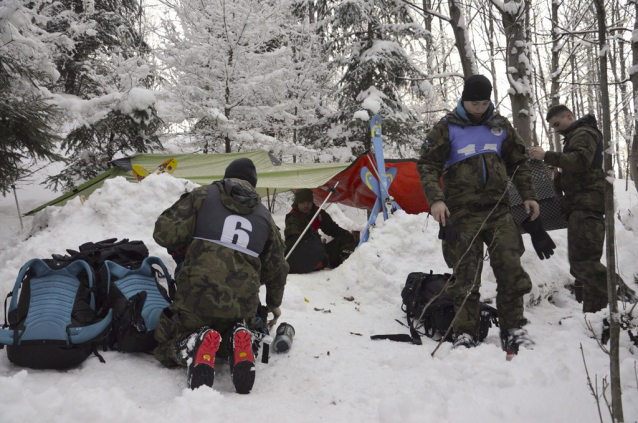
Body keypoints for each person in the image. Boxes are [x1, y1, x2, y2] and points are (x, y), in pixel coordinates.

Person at [417, 74, 539, 355]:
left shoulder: (500, 125)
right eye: (474, 103)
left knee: (511, 269)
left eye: (484, 102)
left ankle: (513, 328)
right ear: (464, 99)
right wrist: (436, 199)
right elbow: (427, 165)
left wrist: (528, 195)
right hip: (461, 213)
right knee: (466, 276)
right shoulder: (446, 127)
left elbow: (519, 163)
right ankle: (464, 332)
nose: (480, 108)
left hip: (499, 210)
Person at [152, 158, 289, 394]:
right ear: (253, 185)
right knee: (234, 327)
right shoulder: (265, 218)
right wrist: (274, 304)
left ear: (227, 176)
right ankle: (235, 341)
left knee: (164, 340)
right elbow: (277, 268)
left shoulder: (202, 196)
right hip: (241, 307)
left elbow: (164, 233)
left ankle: (193, 344)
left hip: (195, 300)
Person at [529, 105, 635, 312]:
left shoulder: (584, 132)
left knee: (582, 265)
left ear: (569, 116)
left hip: (586, 206)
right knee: (588, 263)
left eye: (557, 124)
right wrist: (558, 179)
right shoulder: (575, 136)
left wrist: (546, 155)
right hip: (582, 205)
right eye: (553, 127)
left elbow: (580, 161)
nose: (556, 129)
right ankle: (596, 317)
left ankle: (630, 301)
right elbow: (580, 170)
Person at [284, 188, 356, 273]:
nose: (306, 205)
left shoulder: (318, 213)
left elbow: (332, 228)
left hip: (318, 249)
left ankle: (340, 260)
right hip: (302, 252)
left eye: (309, 202)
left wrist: (345, 234)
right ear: (297, 203)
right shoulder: (293, 217)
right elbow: (293, 237)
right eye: (303, 203)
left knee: (345, 238)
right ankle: (326, 261)